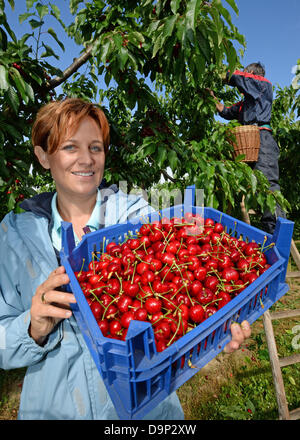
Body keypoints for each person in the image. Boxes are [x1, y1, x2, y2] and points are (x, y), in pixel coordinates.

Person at [0, 97, 251, 420]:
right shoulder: (16, 234)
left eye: (96, 148)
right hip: (52, 410)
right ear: (43, 156)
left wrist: (214, 334)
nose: (86, 160)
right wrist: (32, 327)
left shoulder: (138, 217)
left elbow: (181, 299)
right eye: (70, 148)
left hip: (147, 411)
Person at [209, 62, 286, 234]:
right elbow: (225, 111)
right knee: (246, 185)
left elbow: (238, 77)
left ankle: (277, 231)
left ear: (251, 73)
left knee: (268, 184)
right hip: (248, 145)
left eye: (246, 74)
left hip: (263, 139)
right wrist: (211, 97)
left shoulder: (263, 85)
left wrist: (215, 72)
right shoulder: (245, 104)